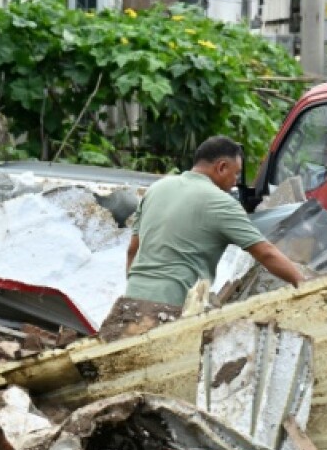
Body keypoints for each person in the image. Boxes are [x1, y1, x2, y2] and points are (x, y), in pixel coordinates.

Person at [115, 136, 304, 319]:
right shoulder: (221, 203)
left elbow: (133, 249)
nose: (236, 181)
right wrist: (305, 284)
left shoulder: (156, 189)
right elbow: (266, 253)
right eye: (236, 173)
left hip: (131, 304)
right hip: (173, 309)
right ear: (221, 167)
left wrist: (137, 293)